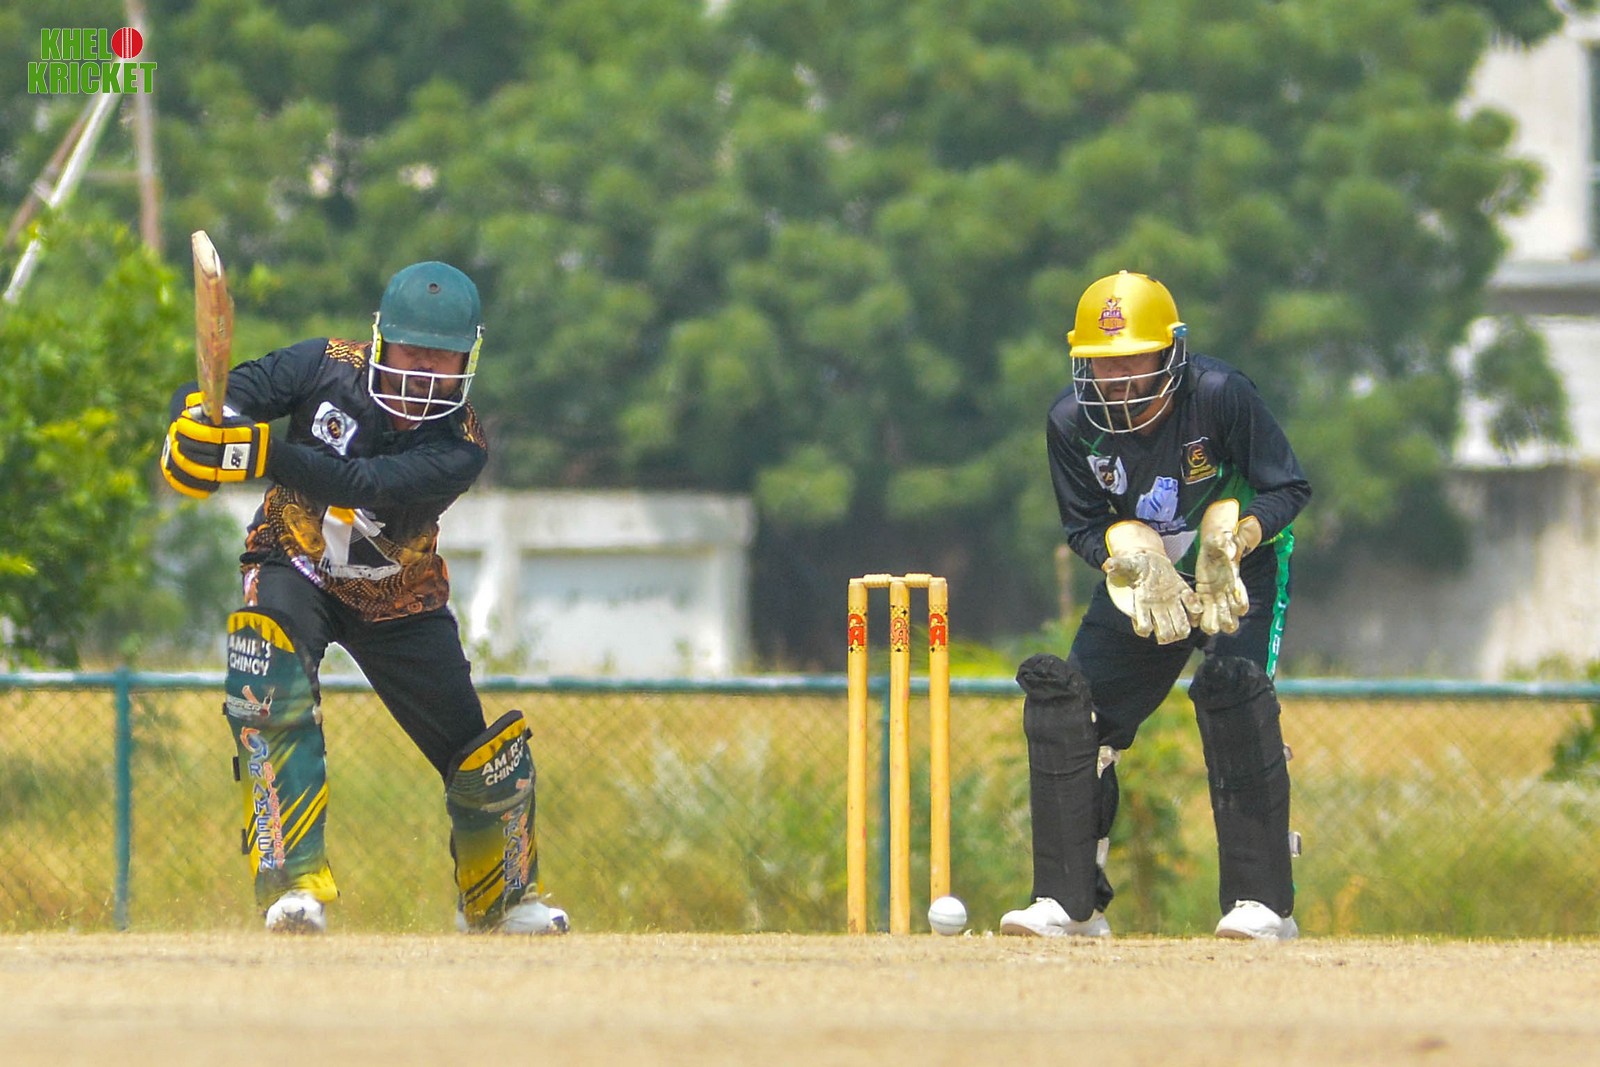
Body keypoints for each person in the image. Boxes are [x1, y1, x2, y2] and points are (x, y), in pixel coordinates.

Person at [160, 261, 569, 936]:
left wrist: (257, 453)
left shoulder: (461, 446)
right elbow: (224, 396)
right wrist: (201, 429)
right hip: (294, 562)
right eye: (412, 351)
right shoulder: (321, 365)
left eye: (442, 358)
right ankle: (293, 888)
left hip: (397, 598)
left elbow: (364, 482)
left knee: (479, 751)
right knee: (269, 682)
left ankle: (501, 903)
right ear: (380, 341)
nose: (424, 371)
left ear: (468, 361)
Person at [1001, 270, 1311, 941]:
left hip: (1236, 567)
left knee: (1234, 695)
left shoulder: (1221, 395)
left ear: (1170, 351)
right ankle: (1070, 903)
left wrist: (1240, 536)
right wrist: (1127, 551)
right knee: (1076, 713)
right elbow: (1083, 526)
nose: (1116, 379)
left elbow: (1288, 486)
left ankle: (1263, 904)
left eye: (1132, 360)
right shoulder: (1069, 422)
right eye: (1101, 363)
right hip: (1147, 577)